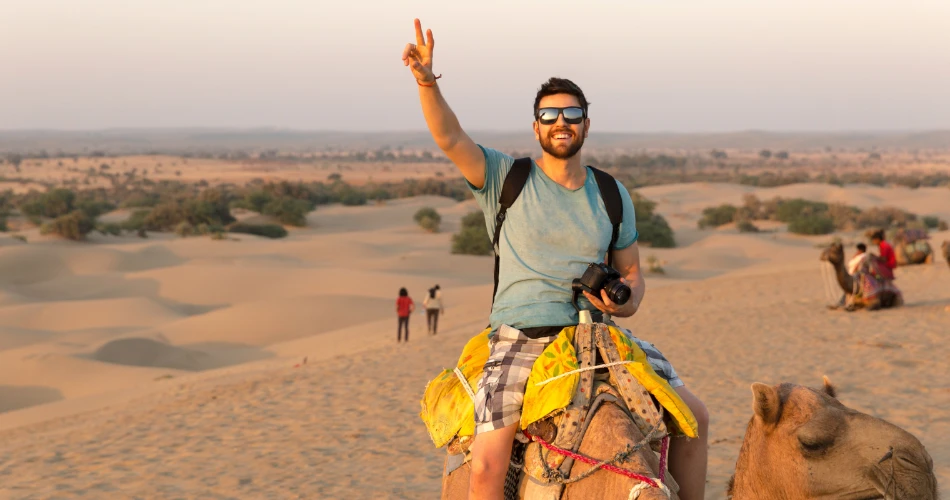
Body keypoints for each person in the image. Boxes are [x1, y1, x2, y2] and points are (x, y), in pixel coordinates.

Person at [402, 19, 708, 500]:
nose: (560, 122)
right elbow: (450, 138)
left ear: (587, 123)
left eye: (571, 113)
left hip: (598, 336)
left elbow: (632, 274)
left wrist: (622, 303)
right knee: (485, 466)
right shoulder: (506, 177)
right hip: (520, 338)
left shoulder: (610, 192)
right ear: (536, 126)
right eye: (549, 115)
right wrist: (425, 81)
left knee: (696, 419)